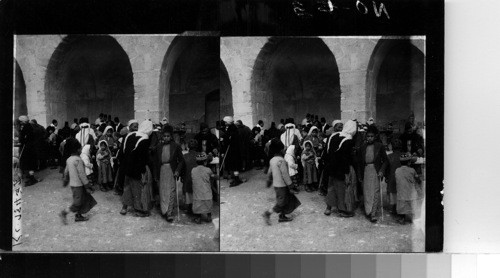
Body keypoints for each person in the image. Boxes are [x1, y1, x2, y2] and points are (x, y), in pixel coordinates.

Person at [262, 139, 301, 225]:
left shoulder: (272, 160)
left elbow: (270, 172)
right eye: (283, 149)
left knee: (285, 200)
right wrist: (291, 185)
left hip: (276, 185)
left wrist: (269, 181)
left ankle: (282, 216)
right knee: (281, 202)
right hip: (282, 185)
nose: (284, 150)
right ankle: (268, 213)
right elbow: (285, 175)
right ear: (280, 150)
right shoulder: (281, 161)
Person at [59, 138, 97, 224]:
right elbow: (82, 175)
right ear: (77, 149)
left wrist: (65, 180)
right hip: (78, 185)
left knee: (81, 199)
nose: (81, 150)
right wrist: (88, 185)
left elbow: (66, 171)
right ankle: (64, 212)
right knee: (77, 202)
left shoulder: (69, 159)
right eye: (80, 148)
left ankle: (78, 216)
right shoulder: (78, 160)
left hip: (73, 185)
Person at [324, 120, 357, 217]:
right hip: (340, 169)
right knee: (341, 189)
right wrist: (346, 172)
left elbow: (326, 153)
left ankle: (328, 208)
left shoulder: (332, 136)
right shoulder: (348, 139)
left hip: (330, 167)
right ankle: (342, 210)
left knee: (331, 187)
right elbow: (345, 158)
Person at [120, 120, 154, 217]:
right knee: (137, 189)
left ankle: (124, 207)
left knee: (127, 187)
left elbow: (123, 151)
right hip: (136, 168)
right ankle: (138, 210)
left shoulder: (129, 135)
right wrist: (142, 171)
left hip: (126, 166)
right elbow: (142, 157)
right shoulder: (145, 138)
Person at [153, 124, 185, 222]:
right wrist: (155, 174)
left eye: (168, 136)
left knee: (171, 191)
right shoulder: (158, 147)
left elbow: (182, 161)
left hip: (171, 170)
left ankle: (169, 212)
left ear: (171, 136)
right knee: (163, 191)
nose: (166, 138)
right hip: (162, 171)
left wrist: (177, 171)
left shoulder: (176, 146)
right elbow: (155, 162)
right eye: (164, 136)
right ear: (162, 136)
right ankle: (164, 210)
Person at [358, 125, 388, 223]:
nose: (370, 138)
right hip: (366, 171)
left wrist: (382, 171)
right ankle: (368, 211)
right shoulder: (362, 147)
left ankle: (373, 213)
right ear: (366, 137)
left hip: (375, 171)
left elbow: (386, 161)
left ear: (375, 137)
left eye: (371, 136)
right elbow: (359, 163)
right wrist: (359, 175)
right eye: (368, 136)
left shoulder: (379, 146)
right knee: (367, 192)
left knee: (375, 191)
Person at [395, 153, 422, 224]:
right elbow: (417, 179)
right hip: (410, 193)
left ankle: (402, 218)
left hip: (401, 193)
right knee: (412, 204)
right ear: (409, 162)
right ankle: (413, 218)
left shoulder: (397, 170)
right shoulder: (412, 170)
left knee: (402, 205)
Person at [191, 152, 217, 224]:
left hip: (197, 195)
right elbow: (213, 176)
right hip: (207, 194)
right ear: (205, 162)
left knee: (198, 205)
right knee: (208, 204)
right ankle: (209, 216)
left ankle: (198, 218)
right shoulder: (208, 170)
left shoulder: (193, 170)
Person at [222, 116, 245, 187]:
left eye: (226, 122)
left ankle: (236, 179)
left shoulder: (233, 129)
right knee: (233, 166)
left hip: (234, 150)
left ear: (228, 122)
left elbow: (231, 139)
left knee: (235, 166)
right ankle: (235, 179)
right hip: (232, 150)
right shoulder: (231, 127)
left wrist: (226, 139)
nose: (225, 123)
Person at [17, 116, 39, 185]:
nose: (20, 123)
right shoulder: (30, 126)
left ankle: (32, 179)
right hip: (32, 147)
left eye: (21, 121)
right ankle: (31, 178)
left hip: (27, 148)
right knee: (30, 163)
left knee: (27, 164)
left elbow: (22, 138)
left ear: (23, 121)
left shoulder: (25, 127)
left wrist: (21, 141)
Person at [180, 139, 198, 214]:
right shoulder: (200, 154)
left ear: (188, 147)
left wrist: (181, 176)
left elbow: (181, 167)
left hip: (187, 179)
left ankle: (189, 207)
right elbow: (208, 159)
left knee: (188, 193)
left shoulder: (185, 156)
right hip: (197, 180)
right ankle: (196, 208)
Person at [385, 138, 402, 215]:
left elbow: (387, 168)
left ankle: (395, 208)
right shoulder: (403, 155)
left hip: (392, 177)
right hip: (401, 178)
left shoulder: (389, 156)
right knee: (400, 193)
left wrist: (386, 177)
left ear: (391, 147)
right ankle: (400, 209)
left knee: (393, 193)